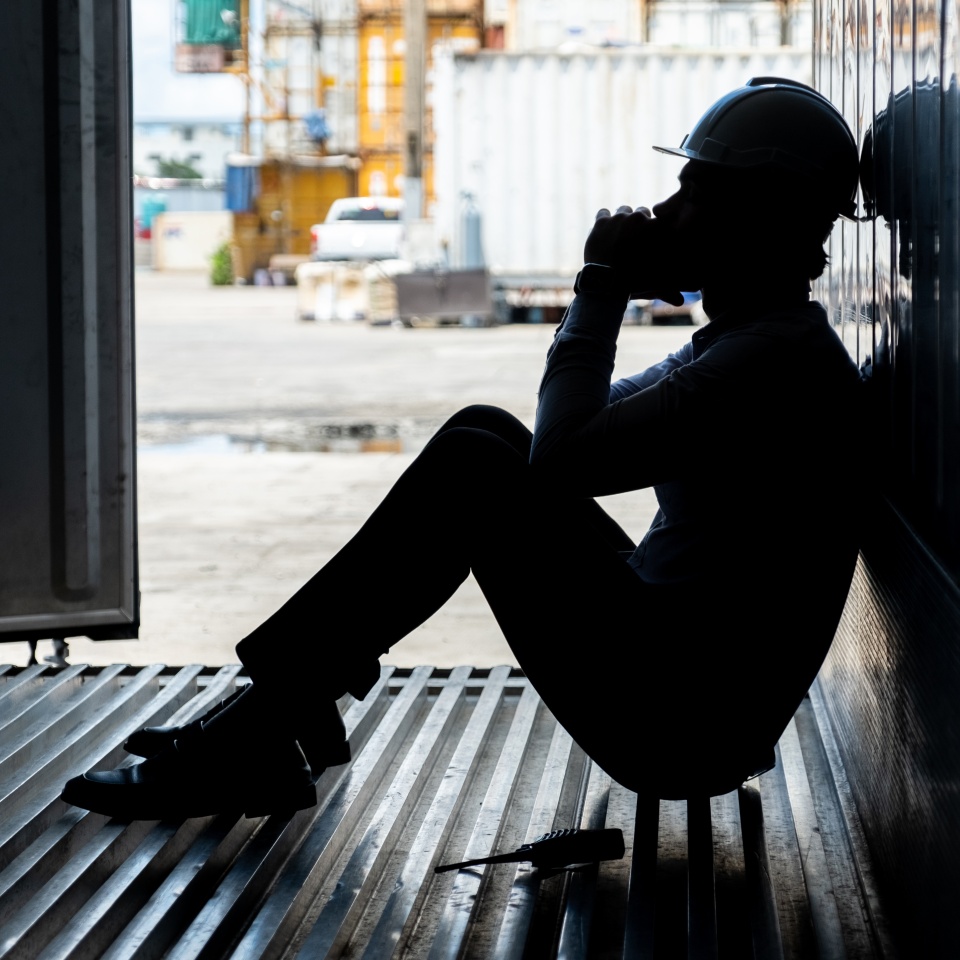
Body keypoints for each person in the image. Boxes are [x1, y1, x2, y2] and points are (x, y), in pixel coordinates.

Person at [62, 78, 863, 819]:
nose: (662, 208)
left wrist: (601, 286)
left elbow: (564, 460)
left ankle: (264, 721)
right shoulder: (755, 343)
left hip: (679, 722)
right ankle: (271, 713)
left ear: (756, 216)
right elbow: (558, 436)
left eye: (692, 190)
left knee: (479, 467)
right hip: (675, 682)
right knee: (484, 436)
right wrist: (601, 298)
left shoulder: (771, 363)